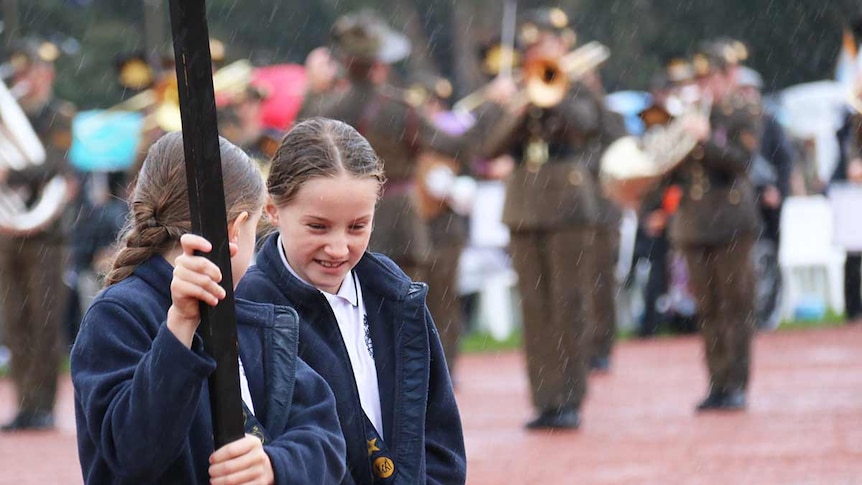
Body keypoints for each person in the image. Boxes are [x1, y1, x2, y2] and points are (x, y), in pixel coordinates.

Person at [71, 132, 346, 484]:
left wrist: (273, 465)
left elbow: (324, 434)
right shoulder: (119, 314)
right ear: (235, 230)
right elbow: (132, 453)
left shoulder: (250, 314)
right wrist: (180, 328)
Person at [236, 118, 466, 484]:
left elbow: (440, 437)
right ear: (273, 209)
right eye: (318, 227)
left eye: (358, 226)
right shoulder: (246, 309)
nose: (339, 248)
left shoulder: (396, 296)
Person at [481, 8, 627, 429]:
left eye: (547, 43)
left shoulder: (580, 85)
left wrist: (554, 91)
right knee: (535, 307)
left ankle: (571, 397)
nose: (539, 51)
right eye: (533, 45)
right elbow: (489, 148)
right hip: (525, 205)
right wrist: (517, 106)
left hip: (568, 202)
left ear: (564, 46)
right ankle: (544, 399)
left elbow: (590, 125)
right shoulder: (519, 91)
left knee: (569, 302)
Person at [670, 40, 762, 411]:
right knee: (707, 308)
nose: (706, 85)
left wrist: (705, 140)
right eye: (702, 78)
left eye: (712, 77)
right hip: (695, 222)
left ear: (730, 75)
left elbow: (740, 162)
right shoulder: (690, 111)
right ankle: (716, 382)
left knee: (735, 306)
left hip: (731, 221)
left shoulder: (743, 110)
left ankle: (735, 382)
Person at [0, 39, 77, 431]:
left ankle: (43, 405)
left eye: (34, 73)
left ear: (47, 75)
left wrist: (9, 175)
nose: (27, 81)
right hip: (8, 230)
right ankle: (23, 402)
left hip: (46, 234)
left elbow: (55, 164)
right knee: (14, 320)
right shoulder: (8, 115)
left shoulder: (57, 115)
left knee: (44, 320)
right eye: (21, 74)